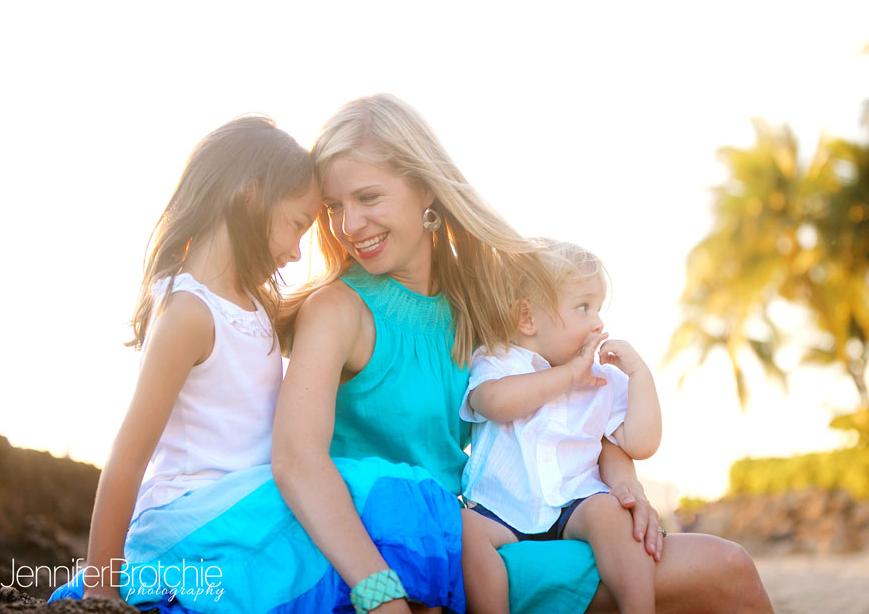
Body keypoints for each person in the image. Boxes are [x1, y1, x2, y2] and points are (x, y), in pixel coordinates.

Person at [275, 93, 773, 613]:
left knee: (731, 566)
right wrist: (381, 594)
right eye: (334, 208)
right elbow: (296, 461)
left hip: (477, 537)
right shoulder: (335, 309)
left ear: (425, 186)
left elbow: (573, 393)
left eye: (368, 198)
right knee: (722, 572)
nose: (348, 226)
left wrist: (623, 481)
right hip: (374, 559)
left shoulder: (485, 296)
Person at [48, 115, 328, 611]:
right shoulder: (189, 313)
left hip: (243, 510)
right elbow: (128, 458)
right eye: (298, 224)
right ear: (251, 193)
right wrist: (101, 592)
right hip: (192, 520)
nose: (296, 250)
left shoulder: (257, 303)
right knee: (377, 495)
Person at [460, 241, 662, 613]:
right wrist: (567, 376)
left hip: (576, 502)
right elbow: (492, 403)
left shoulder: (603, 379)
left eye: (599, 309)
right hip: (499, 508)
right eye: (583, 307)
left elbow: (641, 443)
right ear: (528, 319)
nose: (598, 322)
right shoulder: (500, 360)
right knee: (466, 534)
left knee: (612, 514)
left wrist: (639, 375)